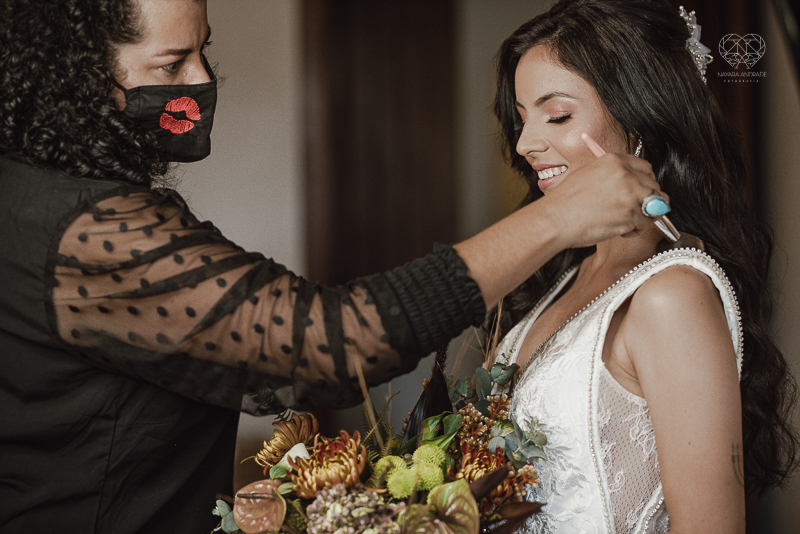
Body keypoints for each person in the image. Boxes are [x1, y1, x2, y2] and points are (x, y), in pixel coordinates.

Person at [0, 0, 666, 532]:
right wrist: (553, 221)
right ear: (80, 76)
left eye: (205, 51)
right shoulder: (83, 232)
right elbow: (331, 340)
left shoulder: (31, 190)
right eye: (172, 64)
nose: (201, 82)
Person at [489, 1, 799, 533]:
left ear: (642, 122)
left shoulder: (671, 294)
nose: (526, 144)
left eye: (557, 115)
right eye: (522, 119)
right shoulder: (559, 277)